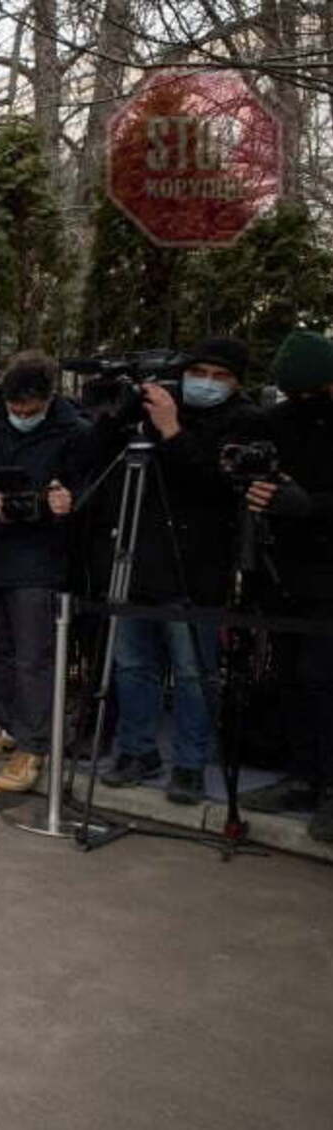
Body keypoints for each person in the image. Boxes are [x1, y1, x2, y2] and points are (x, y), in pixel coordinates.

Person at [88, 337, 264, 804]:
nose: (205, 382)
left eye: (219, 375)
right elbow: (95, 455)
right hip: (138, 560)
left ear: (237, 382)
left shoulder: (244, 421)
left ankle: (189, 764)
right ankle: (136, 751)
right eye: (199, 371)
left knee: (193, 673)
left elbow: (217, 485)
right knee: (132, 666)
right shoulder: (153, 407)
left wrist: (172, 429)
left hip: (196, 569)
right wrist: (125, 410)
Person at [0, 353, 90, 793]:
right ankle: (7, 725)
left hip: (40, 560)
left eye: (32, 408)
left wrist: (67, 501)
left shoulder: (76, 433)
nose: (22, 415)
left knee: (34, 657)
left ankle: (34, 743)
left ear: (49, 398)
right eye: (16, 407)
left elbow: (90, 489)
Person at [238, 331, 333, 841]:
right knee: (292, 677)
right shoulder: (274, 424)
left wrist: (311, 504)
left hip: (328, 577)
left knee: (324, 679)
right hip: (285, 574)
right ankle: (303, 777)